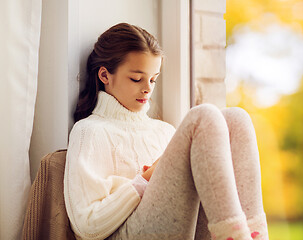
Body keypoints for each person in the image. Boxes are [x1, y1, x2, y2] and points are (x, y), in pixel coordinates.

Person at [64, 23, 268, 240]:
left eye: (153, 79)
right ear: (105, 76)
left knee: (236, 119)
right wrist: (145, 179)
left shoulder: (164, 131)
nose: (148, 89)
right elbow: (87, 225)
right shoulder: (90, 131)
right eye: (136, 78)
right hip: (122, 234)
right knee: (203, 117)